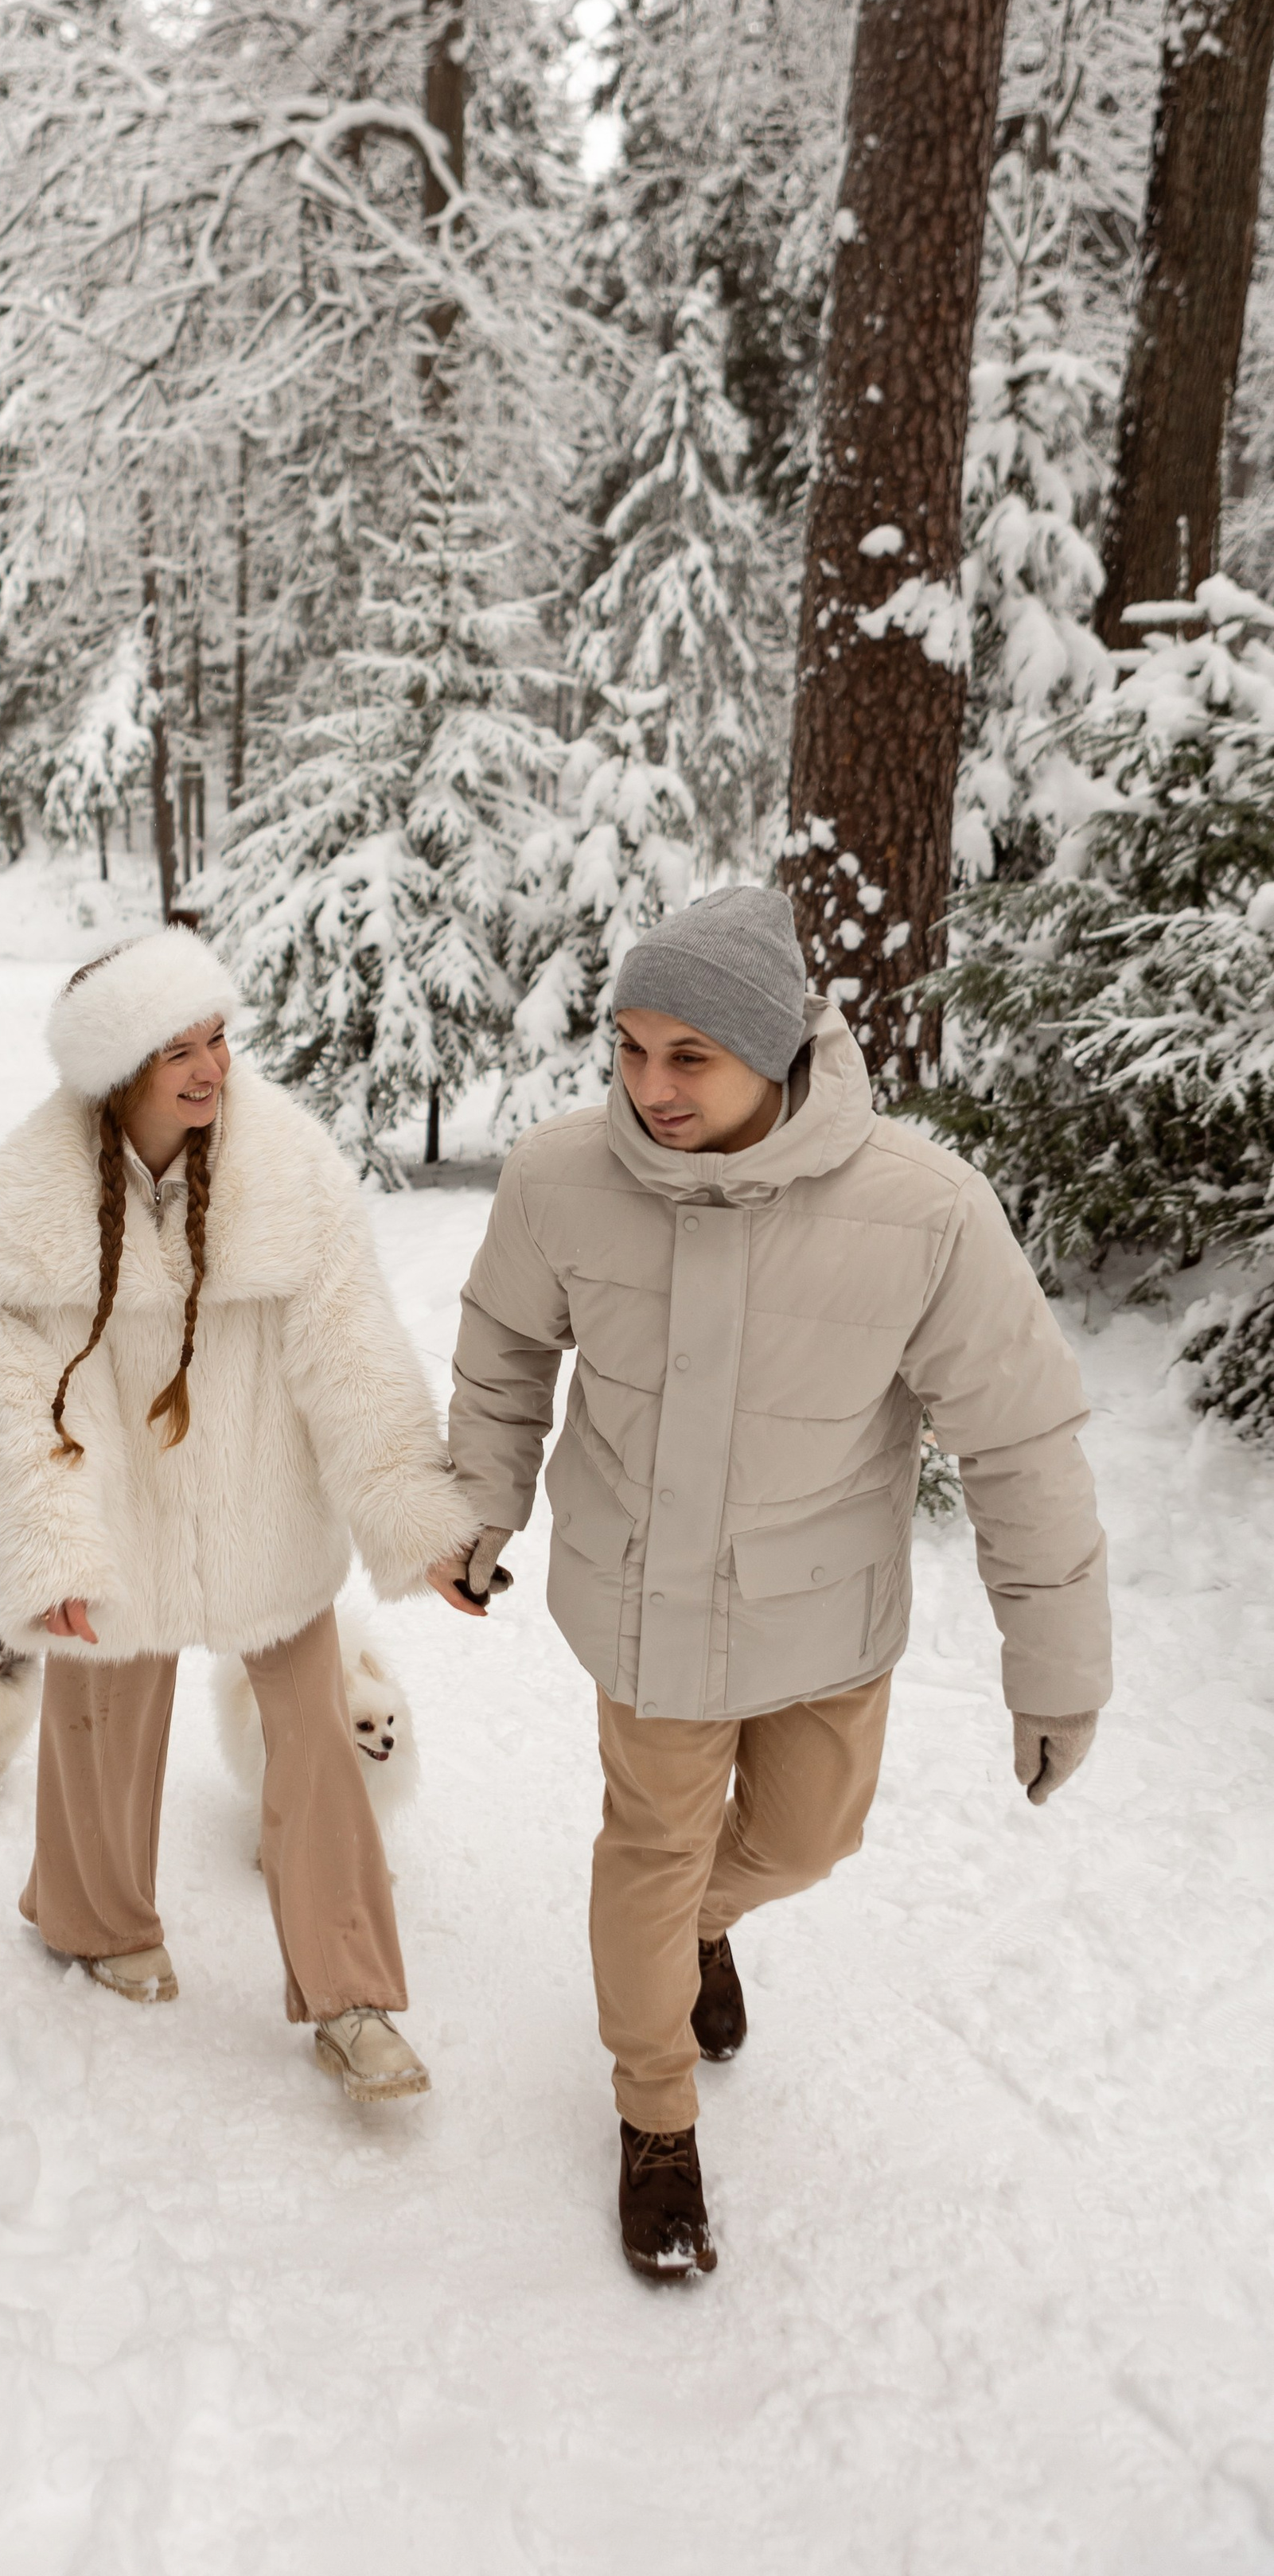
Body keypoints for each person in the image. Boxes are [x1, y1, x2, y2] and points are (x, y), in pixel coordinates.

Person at [442, 885, 1110, 2277]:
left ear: (780, 1048)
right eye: (628, 1049)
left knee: (808, 1840)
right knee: (649, 1847)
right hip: (642, 1603)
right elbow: (506, 1345)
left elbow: (1019, 1441)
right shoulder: (562, 1179)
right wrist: (480, 1502)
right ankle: (656, 2116)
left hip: (820, 1611)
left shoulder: (924, 1212)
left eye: (689, 1056)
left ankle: (707, 1921)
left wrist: (1055, 1668)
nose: (650, 1087)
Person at [0, 928, 478, 2101]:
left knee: (315, 1735)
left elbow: (356, 1357)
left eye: (218, 1040)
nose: (210, 1070)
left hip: (266, 1510)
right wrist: (55, 1551)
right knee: (99, 1721)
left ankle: (353, 1999)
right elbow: (20, 1397)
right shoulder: (32, 1195)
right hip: (121, 1509)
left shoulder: (288, 1168)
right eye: (176, 1052)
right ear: (113, 1072)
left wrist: (418, 1521)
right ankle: (95, 1921)